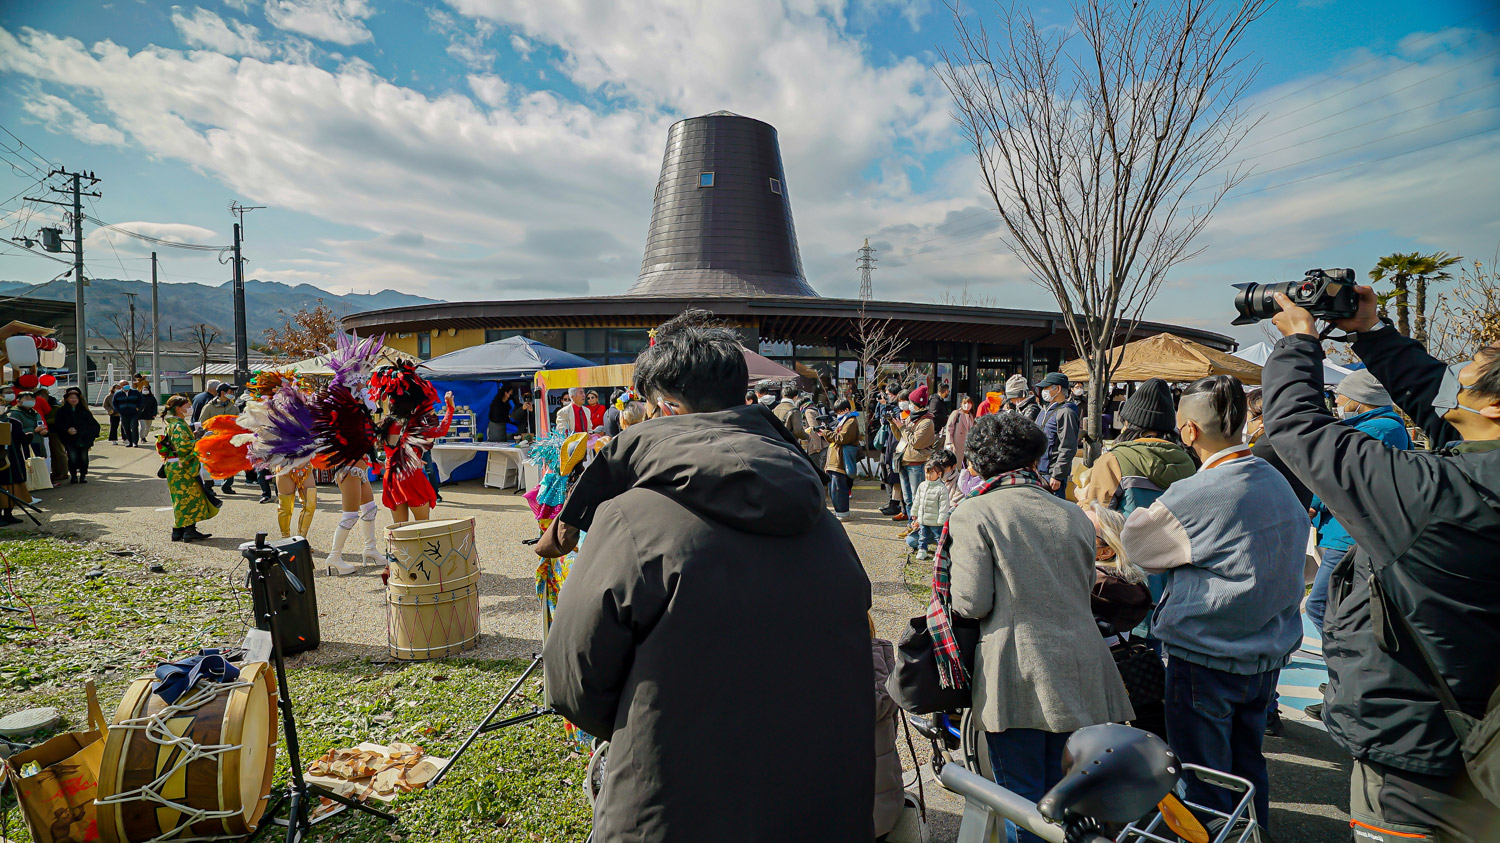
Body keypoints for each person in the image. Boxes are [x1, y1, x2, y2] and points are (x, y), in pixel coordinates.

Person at [544, 309, 874, 840]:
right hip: (817, 804)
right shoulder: (821, 519)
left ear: (667, 406)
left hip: (670, 805)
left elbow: (573, 681)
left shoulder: (631, 518)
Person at [1263, 285, 1500, 841]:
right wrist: (1369, 330)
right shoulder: (1476, 480)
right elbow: (1435, 403)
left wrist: (1300, 344)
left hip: (1423, 764)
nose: (1448, 386)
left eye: (1462, 383)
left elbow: (1300, 429)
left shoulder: (1437, 495)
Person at [1119, 375, 1306, 829]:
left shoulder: (1197, 492)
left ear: (1188, 431)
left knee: (1201, 778)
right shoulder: (1274, 479)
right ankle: (1251, 834)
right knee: (1247, 768)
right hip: (1266, 653)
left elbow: (1140, 548)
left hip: (1206, 654)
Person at [944, 413, 1134, 843]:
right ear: (1034, 458)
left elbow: (971, 602)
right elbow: (1085, 586)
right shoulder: (1072, 513)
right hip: (1084, 667)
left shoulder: (974, 512)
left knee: (1024, 801)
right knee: (1065, 794)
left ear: (977, 462)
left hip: (1018, 670)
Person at [1305, 369, 1413, 643]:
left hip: (1349, 534)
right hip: (1350, 531)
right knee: (1341, 607)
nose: (1338, 402)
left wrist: (1314, 504)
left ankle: (1346, 673)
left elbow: (1339, 476)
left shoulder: (1376, 430)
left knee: (1320, 606)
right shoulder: (1381, 427)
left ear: (1360, 399)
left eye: (1341, 396)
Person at [1078, 378, 1195, 513]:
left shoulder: (1114, 460)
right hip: (1174, 534)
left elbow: (1097, 517)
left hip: (1125, 533)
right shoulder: (1187, 462)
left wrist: (1083, 499)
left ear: (1129, 424)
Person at [158, 395, 217, 542]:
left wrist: (195, 436)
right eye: (186, 405)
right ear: (178, 409)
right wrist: (200, 440)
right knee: (190, 498)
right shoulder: (179, 425)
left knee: (180, 498)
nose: (189, 408)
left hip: (174, 465)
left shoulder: (172, 424)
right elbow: (183, 447)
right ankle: (189, 530)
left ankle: (178, 530)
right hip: (182, 466)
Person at [895, 385, 938, 526]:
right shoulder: (911, 418)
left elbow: (916, 442)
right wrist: (893, 424)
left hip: (917, 463)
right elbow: (901, 438)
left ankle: (919, 527)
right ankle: (910, 524)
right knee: (907, 498)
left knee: (916, 498)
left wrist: (902, 428)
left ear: (918, 404)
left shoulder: (926, 421)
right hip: (904, 461)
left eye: (911, 403)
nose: (909, 405)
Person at [1033, 373, 1080, 498]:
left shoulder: (1066, 412)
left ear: (1058, 389)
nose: (1043, 392)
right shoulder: (1044, 411)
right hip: (1039, 472)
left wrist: (1057, 475)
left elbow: (1068, 446)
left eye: (1046, 388)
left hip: (1052, 475)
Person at [824, 398, 861, 520]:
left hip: (840, 459)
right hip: (835, 459)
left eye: (840, 411)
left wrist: (826, 433)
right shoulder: (844, 420)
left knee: (839, 487)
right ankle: (839, 512)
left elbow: (842, 438)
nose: (838, 414)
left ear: (846, 409)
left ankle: (843, 513)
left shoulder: (850, 421)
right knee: (834, 488)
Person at [906, 458, 950, 559]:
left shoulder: (941, 489)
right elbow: (917, 500)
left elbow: (944, 506)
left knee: (938, 537)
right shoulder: (922, 485)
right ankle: (922, 550)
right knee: (923, 536)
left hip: (936, 520)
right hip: (923, 519)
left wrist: (941, 519)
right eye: (926, 473)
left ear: (939, 474)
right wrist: (914, 512)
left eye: (931, 473)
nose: (928, 476)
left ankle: (940, 552)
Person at [53, 388, 99, 484]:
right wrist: (67, 430)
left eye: (75, 398)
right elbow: (58, 425)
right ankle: (73, 475)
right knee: (72, 458)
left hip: (83, 440)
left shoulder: (84, 411)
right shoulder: (62, 411)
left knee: (84, 458)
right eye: (71, 398)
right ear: (67, 399)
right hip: (69, 440)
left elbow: (94, 426)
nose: (73, 400)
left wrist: (89, 437)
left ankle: (83, 475)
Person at [0, 388, 29, 525]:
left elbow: (21, 439)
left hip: (14, 459)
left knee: (13, 486)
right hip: (1, 461)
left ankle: (9, 513)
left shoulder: (14, 422)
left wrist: (27, 437)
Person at [10, 391, 47, 459]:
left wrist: (44, 431)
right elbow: (15, 432)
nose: (30, 400)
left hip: (38, 443)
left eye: (32, 399)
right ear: (18, 401)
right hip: (24, 446)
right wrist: (34, 430)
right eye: (26, 398)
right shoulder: (14, 413)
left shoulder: (35, 413)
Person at [113, 381, 143, 447]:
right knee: (126, 428)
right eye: (124, 384)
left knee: (134, 427)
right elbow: (115, 403)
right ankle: (130, 442)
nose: (126, 385)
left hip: (134, 413)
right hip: (123, 414)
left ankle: (135, 442)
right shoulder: (118, 394)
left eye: (127, 384)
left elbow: (141, 400)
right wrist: (119, 410)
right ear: (120, 386)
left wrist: (138, 408)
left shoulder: (135, 392)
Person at [135, 378, 157, 447]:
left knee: (148, 428)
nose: (145, 391)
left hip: (150, 415)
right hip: (141, 415)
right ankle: (142, 437)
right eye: (144, 389)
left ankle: (145, 436)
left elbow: (155, 406)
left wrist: (154, 414)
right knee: (143, 427)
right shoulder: (139, 397)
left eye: (146, 389)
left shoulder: (152, 398)